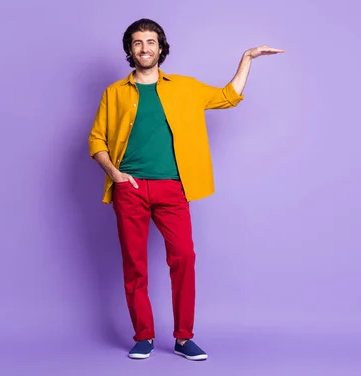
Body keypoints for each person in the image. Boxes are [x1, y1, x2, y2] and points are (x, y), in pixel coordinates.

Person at [88, 18, 283, 360]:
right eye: (137, 43)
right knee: (134, 264)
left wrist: (246, 59)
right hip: (129, 189)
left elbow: (228, 97)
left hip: (172, 189)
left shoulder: (184, 87)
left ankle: (183, 337)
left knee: (184, 258)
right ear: (130, 50)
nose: (145, 48)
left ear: (161, 48)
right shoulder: (114, 93)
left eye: (150, 42)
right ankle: (144, 336)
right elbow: (96, 140)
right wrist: (115, 174)